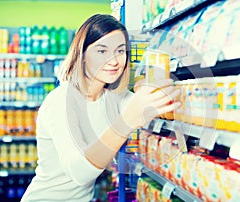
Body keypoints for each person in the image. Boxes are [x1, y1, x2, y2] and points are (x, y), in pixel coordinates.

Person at [21, 14, 180, 202]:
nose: (113, 61)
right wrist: (125, 122)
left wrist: (146, 84)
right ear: (83, 56)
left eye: (120, 51)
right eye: (102, 51)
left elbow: (145, 98)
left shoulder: (111, 97)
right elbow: (80, 174)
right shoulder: (62, 101)